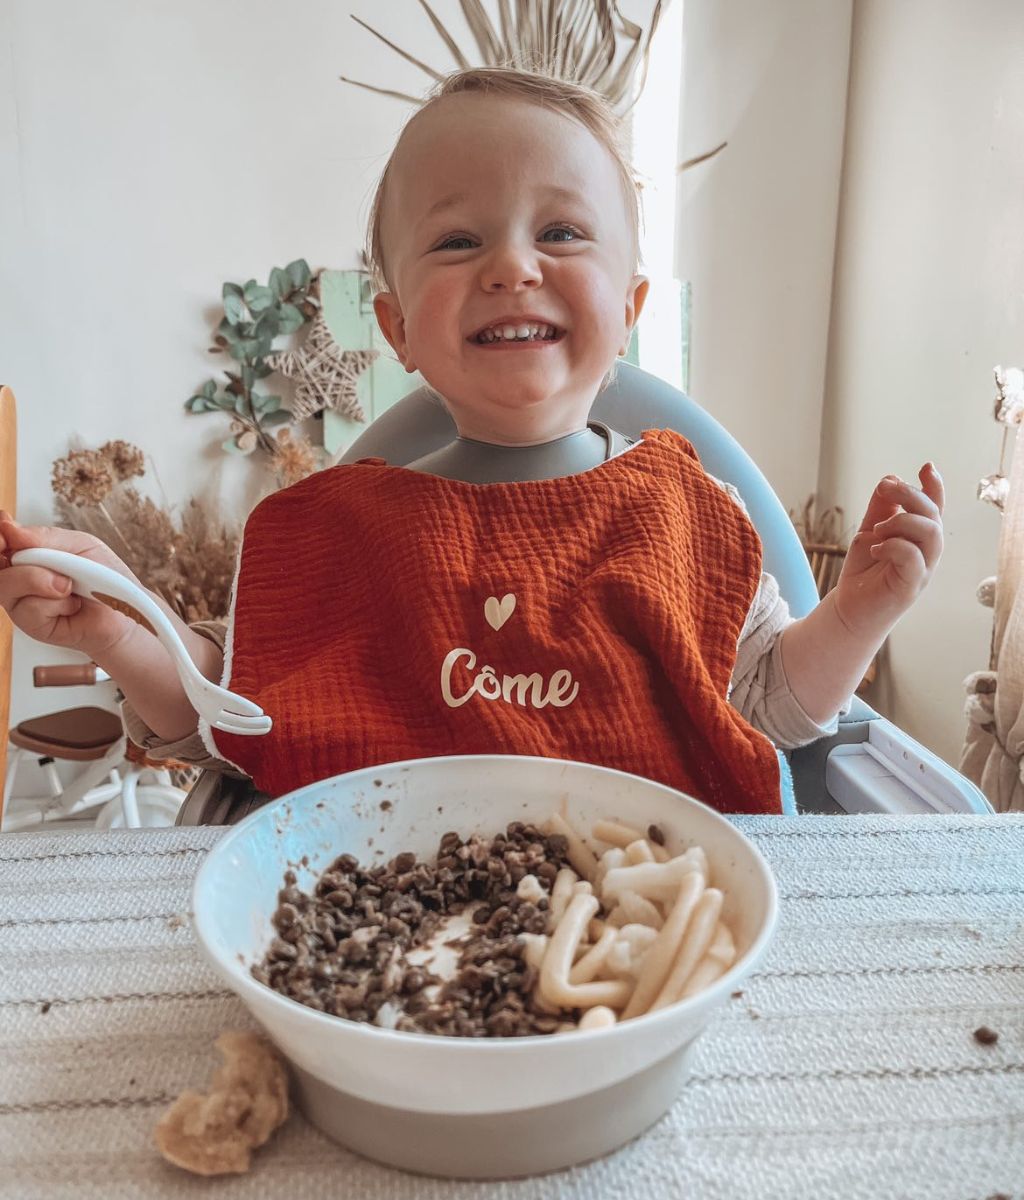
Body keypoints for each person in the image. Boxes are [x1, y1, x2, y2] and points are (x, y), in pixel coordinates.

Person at [0, 67, 944, 816]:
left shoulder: (688, 518)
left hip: (648, 932)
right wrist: (124, 628)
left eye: (562, 231)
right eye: (457, 242)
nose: (512, 265)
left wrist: (860, 613)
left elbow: (767, 709)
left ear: (629, 310)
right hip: (376, 935)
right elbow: (226, 713)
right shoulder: (343, 536)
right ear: (398, 327)